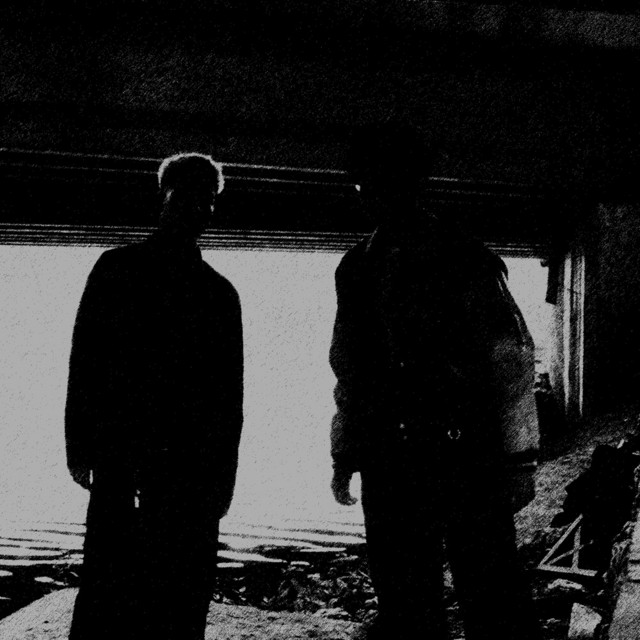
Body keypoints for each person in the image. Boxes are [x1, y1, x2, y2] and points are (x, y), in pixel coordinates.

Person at [329, 125, 541, 640]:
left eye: (381, 182)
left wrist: (519, 461)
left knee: (488, 591)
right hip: (389, 457)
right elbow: (348, 369)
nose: (370, 194)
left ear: (412, 184)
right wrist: (344, 452)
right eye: (363, 183)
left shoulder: (465, 257)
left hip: (464, 452)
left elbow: (510, 358)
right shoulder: (355, 268)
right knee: (405, 597)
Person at [65, 152, 244, 640]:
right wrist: (222, 479)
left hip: (135, 457)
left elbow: (87, 363)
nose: (199, 209)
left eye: (206, 199)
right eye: (190, 197)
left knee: (115, 583)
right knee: (169, 591)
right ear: (166, 198)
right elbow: (227, 399)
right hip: (175, 464)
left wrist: (79, 445)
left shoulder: (118, 269)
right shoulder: (216, 293)